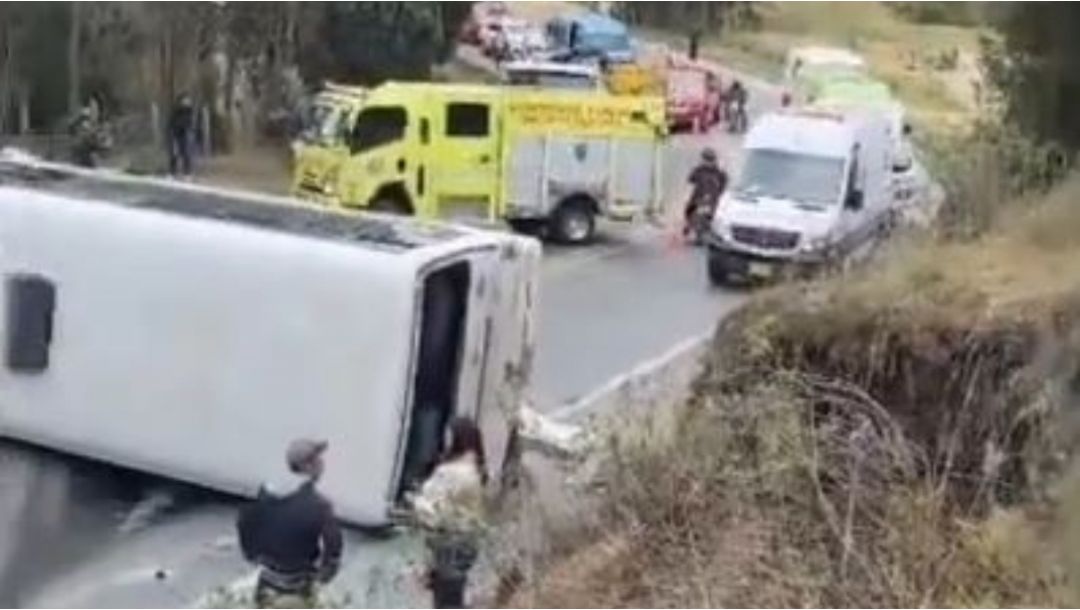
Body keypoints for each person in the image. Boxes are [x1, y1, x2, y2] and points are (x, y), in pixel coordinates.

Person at [237, 438, 344, 608]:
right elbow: (333, 549)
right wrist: (323, 575)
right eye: (318, 459)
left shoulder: (266, 493)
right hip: (297, 585)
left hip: (267, 580)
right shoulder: (318, 505)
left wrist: (252, 556)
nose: (322, 463)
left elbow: (244, 522)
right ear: (308, 466)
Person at [408, 417, 488, 609]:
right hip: (468, 541)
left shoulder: (451, 473)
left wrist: (414, 502)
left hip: (449, 542)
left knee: (446, 598)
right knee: (453, 592)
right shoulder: (477, 467)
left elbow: (430, 510)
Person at [684, 147, 728, 238]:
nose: (707, 162)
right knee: (690, 210)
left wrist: (719, 193)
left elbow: (724, 183)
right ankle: (690, 225)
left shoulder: (719, 172)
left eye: (709, 160)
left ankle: (703, 230)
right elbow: (691, 180)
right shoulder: (698, 169)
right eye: (705, 159)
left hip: (712, 199)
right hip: (697, 197)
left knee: (709, 215)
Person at [168, 93, 195, 177]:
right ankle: (172, 172)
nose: (188, 102)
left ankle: (187, 172)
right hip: (175, 133)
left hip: (185, 133)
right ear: (181, 101)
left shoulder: (190, 111)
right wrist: (171, 132)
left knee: (186, 153)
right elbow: (171, 122)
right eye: (186, 100)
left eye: (188, 100)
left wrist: (190, 130)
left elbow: (190, 123)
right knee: (174, 153)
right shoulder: (176, 110)